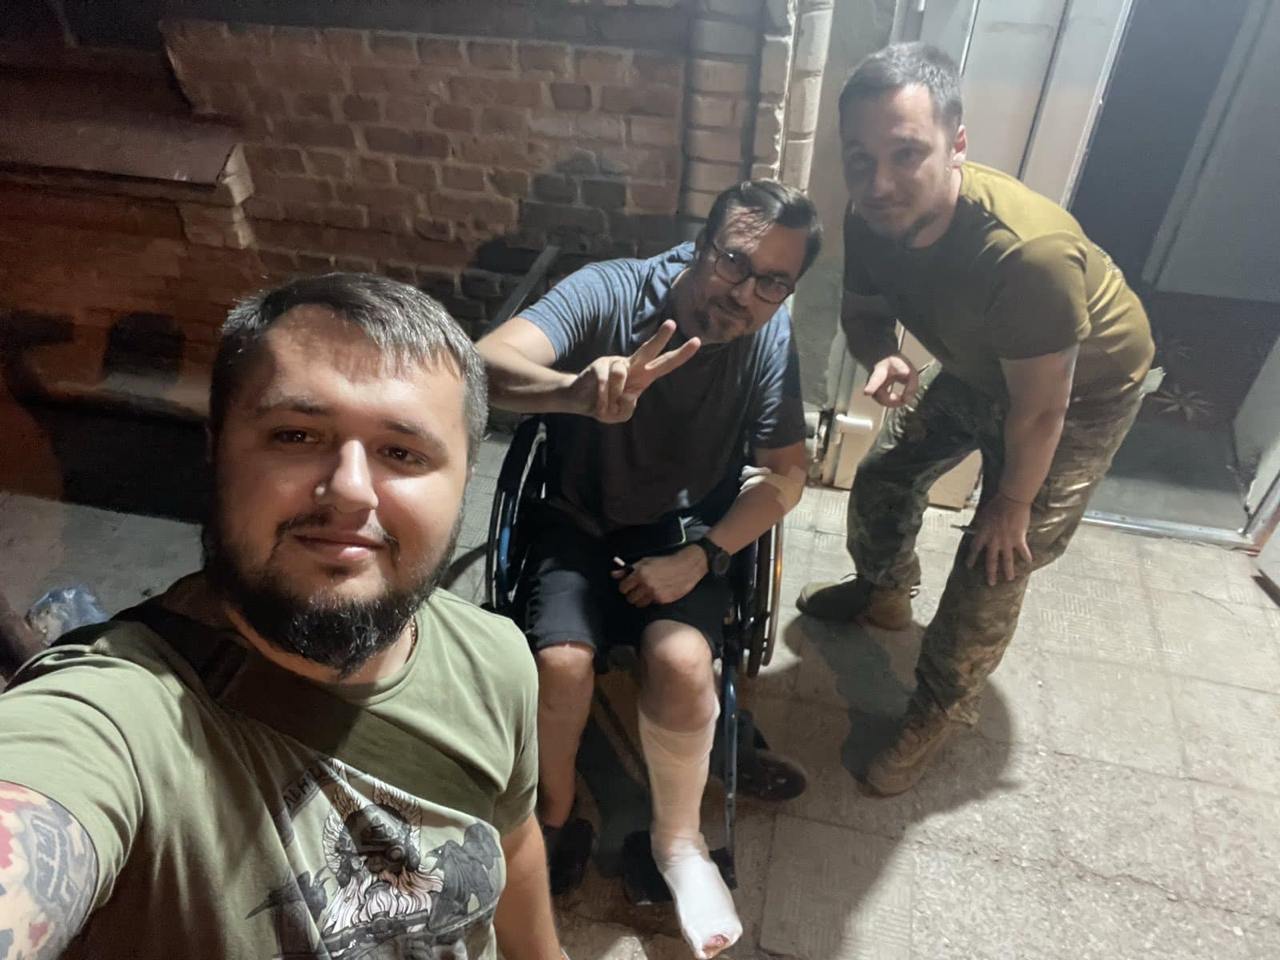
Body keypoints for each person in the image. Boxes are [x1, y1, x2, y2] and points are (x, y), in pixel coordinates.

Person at [0, 274, 564, 960]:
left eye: (402, 452)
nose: (350, 491)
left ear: (465, 478)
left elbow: (512, 841)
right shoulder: (116, 715)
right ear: (216, 451)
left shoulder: (494, 657)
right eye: (295, 435)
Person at [799, 43, 1156, 796]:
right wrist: (883, 355)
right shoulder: (870, 216)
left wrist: (1012, 500)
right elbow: (864, 313)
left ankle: (938, 709)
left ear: (957, 143)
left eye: (906, 153)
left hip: (1078, 394)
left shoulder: (1028, 255)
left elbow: (1043, 406)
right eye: (861, 159)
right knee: (886, 475)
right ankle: (884, 590)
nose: (879, 183)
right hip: (980, 365)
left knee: (996, 556)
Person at [477, 180, 820, 959]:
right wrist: (573, 391)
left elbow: (786, 474)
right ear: (700, 246)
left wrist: (704, 555)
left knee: (685, 662)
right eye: (734, 262)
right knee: (561, 665)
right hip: (579, 517)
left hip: (684, 531)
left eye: (774, 281)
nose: (747, 293)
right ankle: (556, 815)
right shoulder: (609, 292)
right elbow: (482, 364)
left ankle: (678, 842)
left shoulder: (769, 332)